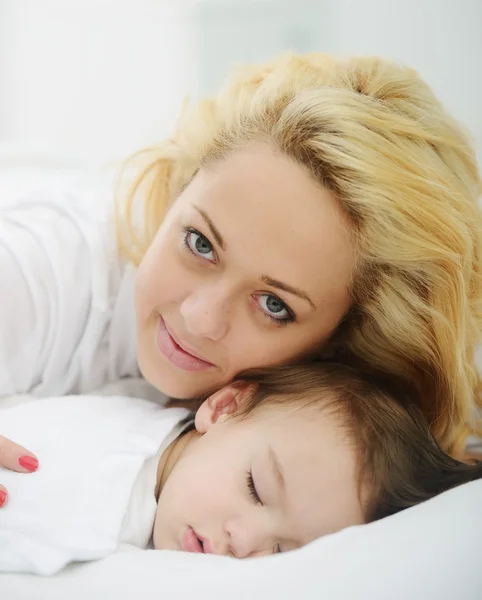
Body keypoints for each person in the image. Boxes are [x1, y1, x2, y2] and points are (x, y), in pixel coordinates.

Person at [1, 52, 481, 505]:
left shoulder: (327, 427)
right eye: (200, 243)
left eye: (274, 305)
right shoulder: (52, 264)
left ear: (339, 343)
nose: (200, 318)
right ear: (178, 192)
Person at [1, 362, 481, 575]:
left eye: (280, 550)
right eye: (255, 488)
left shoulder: (134, 557)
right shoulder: (134, 396)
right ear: (225, 406)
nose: (245, 542)